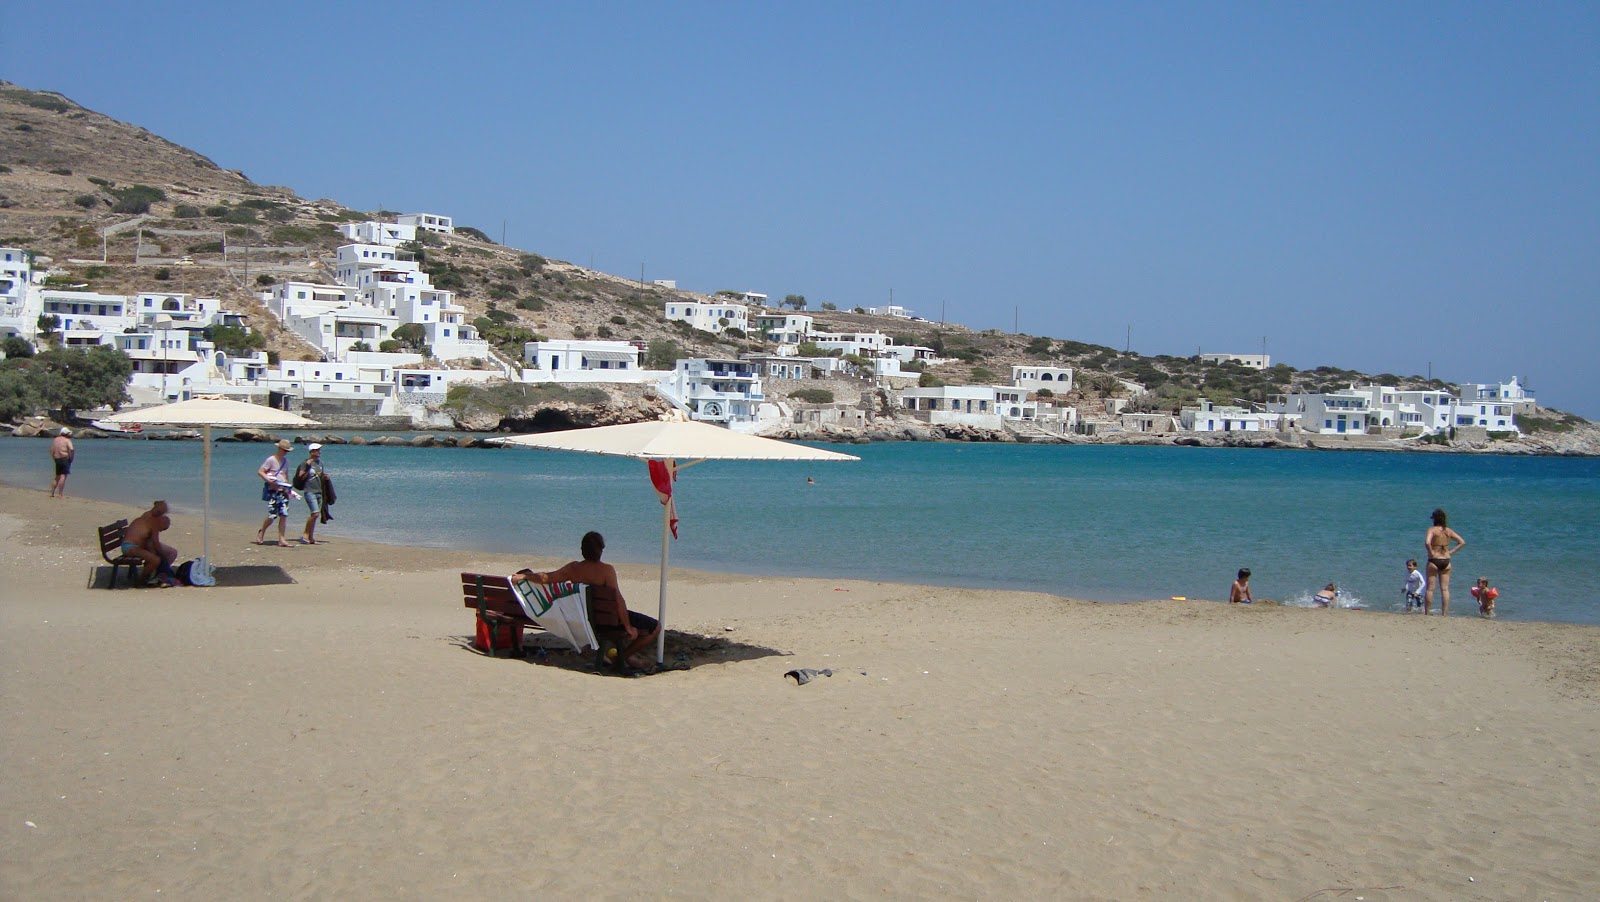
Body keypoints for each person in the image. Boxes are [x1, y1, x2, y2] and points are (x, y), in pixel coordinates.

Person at [516, 531, 660, 672]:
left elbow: (546, 578)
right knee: (655, 627)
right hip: (608, 621)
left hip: (586, 620)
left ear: (582, 550)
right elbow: (618, 600)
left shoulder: (573, 569)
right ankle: (621, 658)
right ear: (601, 551)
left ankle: (624, 657)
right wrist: (628, 626)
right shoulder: (606, 571)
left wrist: (526, 576)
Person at [123, 500, 179, 587]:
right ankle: (142, 581)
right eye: (162, 529)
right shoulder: (153, 522)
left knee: (156, 558)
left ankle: (154, 574)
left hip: (133, 546)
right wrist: (162, 557)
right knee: (156, 559)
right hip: (131, 547)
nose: (160, 531)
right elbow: (155, 543)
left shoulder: (148, 516)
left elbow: (149, 540)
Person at [1424, 508, 1466, 616]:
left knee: (1430, 589)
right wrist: (1450, 552)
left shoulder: (1432, 530)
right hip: (1446, 560)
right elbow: (1461, 542)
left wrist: (1431, 552)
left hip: (1434, 560)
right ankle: (1444, 613)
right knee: (1445, 589)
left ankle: (1427, 612)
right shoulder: (1448, 531)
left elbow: (1427, 542)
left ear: (1434, 519)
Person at [256, 439, 296, 547]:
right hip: (273, 491)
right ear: (279, 449)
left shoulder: (286, 461)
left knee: (284, 514)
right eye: (284, 450)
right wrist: (269, 481)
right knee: (272, 515)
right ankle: (262, 532)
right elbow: (260, 472)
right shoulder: (271, 460)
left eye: (287, 451)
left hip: (283, 490)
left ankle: (281, 539)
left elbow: (285, 475)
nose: (285, 452)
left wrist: (289, 489)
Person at [295, 443, 327, 545]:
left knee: (315, 515)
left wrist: (325, 477)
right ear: (312, 452)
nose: (319, 452)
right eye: (317, 450)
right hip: (309, 491)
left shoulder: (320, 463)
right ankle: (305, 534)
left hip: (318, 491)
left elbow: (320, 476)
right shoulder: (305, 463)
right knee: (315, 513)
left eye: (319, 450)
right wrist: (308, 468)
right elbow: (300, 476)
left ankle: (311, 537)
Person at [48, 427, 75, 498]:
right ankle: (60, 494)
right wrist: (71, 458)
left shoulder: (55, 440)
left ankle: (52, 493)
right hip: (64, 458)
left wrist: (53, 457)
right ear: (66, 434)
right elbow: (71, 449)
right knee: (63, 476)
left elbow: (52, 450)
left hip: (57, 458)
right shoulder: (67, 440)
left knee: (57, 476)